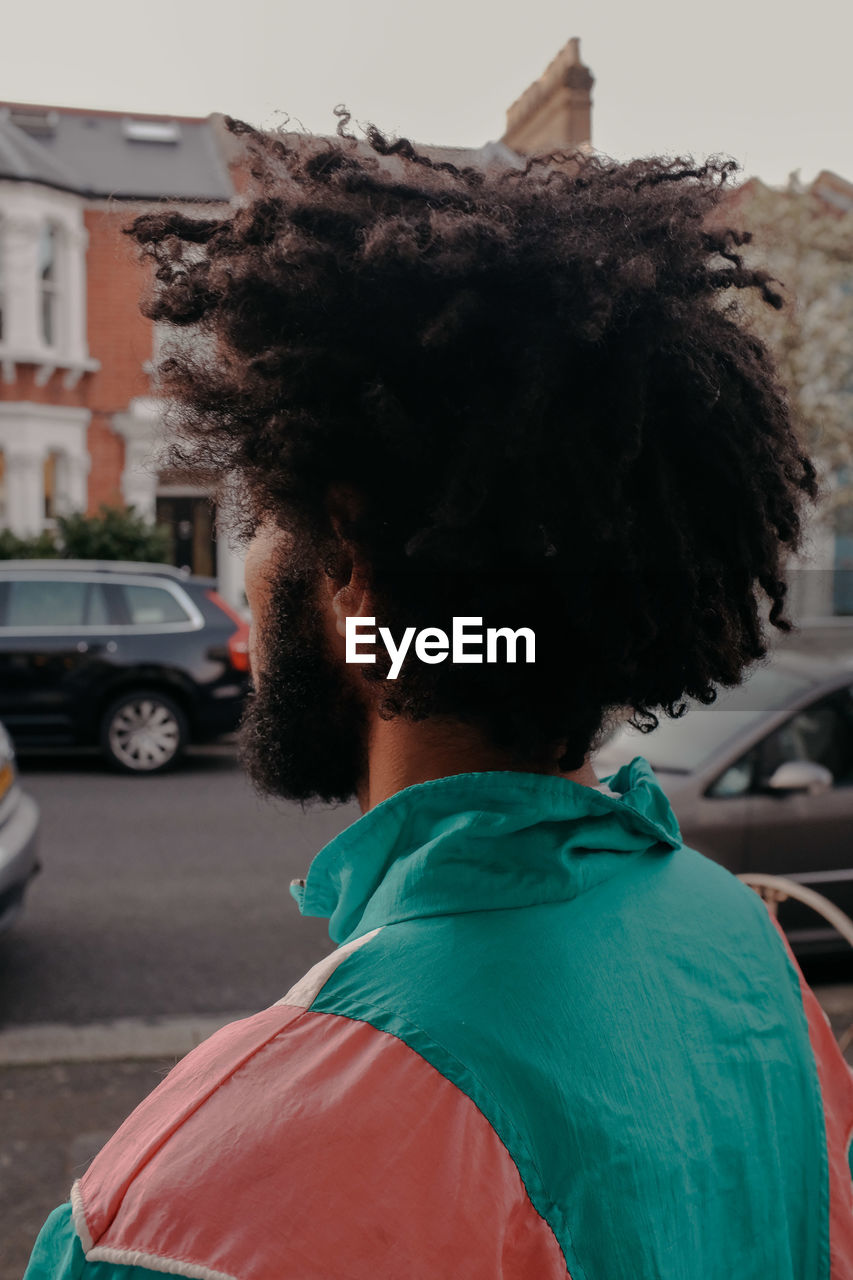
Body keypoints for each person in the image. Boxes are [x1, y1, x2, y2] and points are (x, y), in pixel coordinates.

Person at [25, 114, 853, 1279]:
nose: (255, 575)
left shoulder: (183, 1207)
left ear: (355, 576)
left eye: (265, 520)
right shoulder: (746, 952)